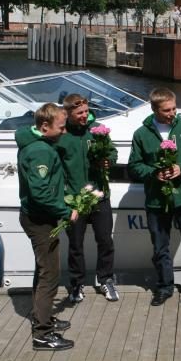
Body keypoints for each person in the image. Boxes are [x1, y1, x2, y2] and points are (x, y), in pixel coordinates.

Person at [128, 88, 181, 306]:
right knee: (160, 247)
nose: (172, 113)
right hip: (157, 201)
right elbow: (134, 167)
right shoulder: (141, 134)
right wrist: (154, 172)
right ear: (154, 109)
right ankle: (164, 287)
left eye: (174, 108)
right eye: (166, 110)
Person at [17, 103, 77, 351]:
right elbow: (40, 193)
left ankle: (43, 317)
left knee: (43, 271)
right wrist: (65, 210)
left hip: (41, 217)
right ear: (44, 127)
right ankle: (42, 334)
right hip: (40, 220)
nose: (64, 132)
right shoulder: (40, 152)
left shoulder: (41, 145)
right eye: (61, 128)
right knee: (50, 275)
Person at [56, 94, 119, 303]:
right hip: (74, 199)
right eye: (80, 113)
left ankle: (106, 279)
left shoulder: (98, 130)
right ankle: (76, 284)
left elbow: (112, 152)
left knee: (105, 241)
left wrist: (108, 160)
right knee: (75, 244)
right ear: (68, 114)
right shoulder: (61, 134)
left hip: (99, 195)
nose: (85, 116)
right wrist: (63, 194)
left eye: (86, 111)